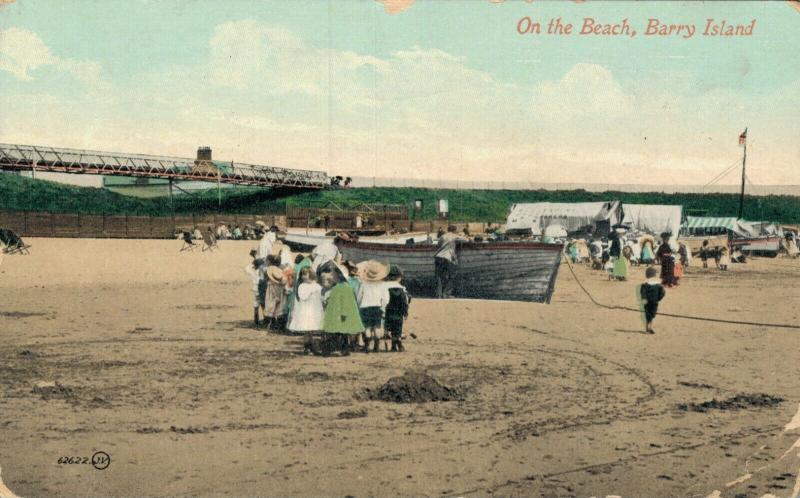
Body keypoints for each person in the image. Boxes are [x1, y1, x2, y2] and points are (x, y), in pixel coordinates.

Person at [321, 268, 364, 356]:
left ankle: (340, 349)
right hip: (336, 314)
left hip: (339, 315)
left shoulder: (342, 288)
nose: (332, 277)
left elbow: (346, 302)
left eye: (333, 275)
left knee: (340, 333)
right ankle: (342, 349)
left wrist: (343, 313)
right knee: (340, 333)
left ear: (339, 276)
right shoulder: (341, 287)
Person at [287, 267, 324, 354]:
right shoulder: (302, 286)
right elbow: (303, 297)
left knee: (311, 330)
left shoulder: (316, 286)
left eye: (305, 274)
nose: (303, 276)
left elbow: (320, 297)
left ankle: (311, 347)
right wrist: (312, 289)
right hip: (306, 311)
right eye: (302, 275)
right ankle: (306, 347)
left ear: (311, 275)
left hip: (314, 310)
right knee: (307, 330)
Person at [356, 260, 390, 353]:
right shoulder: (383, 285)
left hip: (365, 307)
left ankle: (367, 346)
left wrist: (359, 306)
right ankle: (376, 346)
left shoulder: (364, 283)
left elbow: (359, 297)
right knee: (377, 327)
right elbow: (386, 299)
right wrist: (383, 308)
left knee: (367, 327)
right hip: (377, 307)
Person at [383, 265, 411, 352]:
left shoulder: (384, 287)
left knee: (388, 328)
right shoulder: (402, 289)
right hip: (398, 313)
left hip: (388, 312)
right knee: (397, 330)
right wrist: (405, 312)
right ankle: (396, 345)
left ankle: (392, 344)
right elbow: (405, 301)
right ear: (399, 277)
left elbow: (382, 300)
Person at [435, 225, 465, 299]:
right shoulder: (454, 236)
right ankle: (446, 294)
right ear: (454, 230)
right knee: (452, 275)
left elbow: (438, 244)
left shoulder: (443, 236)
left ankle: (439, 294)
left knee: (439, 276)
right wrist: (461, 235)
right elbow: (466, 240)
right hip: (447, 257)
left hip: (438, 256)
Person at [638, 266, 666, 334]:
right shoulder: (646, 284)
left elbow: (662, 292)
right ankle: (648, 328)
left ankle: (649, 326)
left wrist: (658, 298)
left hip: (652, 301)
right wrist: (644, 299)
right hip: (649, 301)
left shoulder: (657, 284)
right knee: (649, 314)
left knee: (652, 314)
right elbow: (643, 292)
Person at [264, 258, 287, 331]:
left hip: (272, 291)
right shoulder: (279, 272)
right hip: (279, 289)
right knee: (279, 307)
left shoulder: (270, 274)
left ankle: (272, 323)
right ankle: (279, 324)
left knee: (271, 305)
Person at [244, 250, 265, 327]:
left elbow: (246, 268)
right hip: (262, 288)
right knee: (263, 304)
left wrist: (253, 262)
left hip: (255, 289)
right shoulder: (262, 271)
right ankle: (265, 319)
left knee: (256, 305)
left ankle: (256, 320)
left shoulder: (252, 272)